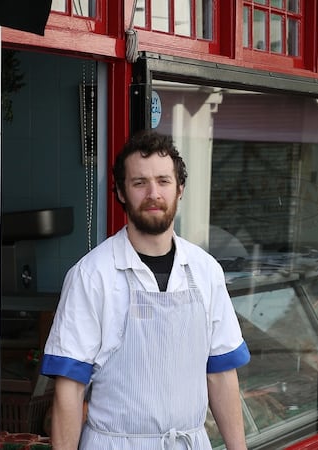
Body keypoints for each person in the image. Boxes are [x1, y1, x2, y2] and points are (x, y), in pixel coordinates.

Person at [40, 130, 251, 449]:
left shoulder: (206, 271)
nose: (153, 193)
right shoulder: (92, 275)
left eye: (163, 181)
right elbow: (69, 388)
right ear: (122, 193)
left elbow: (220, 374)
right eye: (140, 183)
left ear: (180, 189)